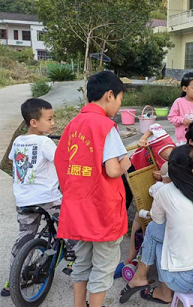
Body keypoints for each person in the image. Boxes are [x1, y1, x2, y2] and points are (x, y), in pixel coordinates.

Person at [54, 71, 131, 307]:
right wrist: (126, 161)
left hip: (79, 208)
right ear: (110, 95)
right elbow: (112, 170)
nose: (119, 105)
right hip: (103, 210)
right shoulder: (106, 126)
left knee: (82, 262)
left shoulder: (73, 124)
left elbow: (61, 162)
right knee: (104, 267)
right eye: (119, 99)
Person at [119, 145, 193, 304]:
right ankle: (140, 277)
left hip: (185, 281)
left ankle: (153, 285)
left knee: (154, 231)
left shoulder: (165, 191)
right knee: (162, 233)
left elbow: (157, 220)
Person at [2, 99, 75, 297]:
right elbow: (64, 160)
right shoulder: (45, 142)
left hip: (23, 200)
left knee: (24, 236)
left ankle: (12, 279)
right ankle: (72, 255)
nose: (53, 123)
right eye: (49, 119)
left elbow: (14, 162)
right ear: (34, 122)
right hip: (46, 198)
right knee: (69, 219)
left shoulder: (18, 141)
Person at [114, 162, 170, 279]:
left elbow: (156, 216)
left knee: (151, 229)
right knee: (142, 220)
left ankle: (139, 268)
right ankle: (135, 263)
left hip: (166, 224)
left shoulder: (160, 188)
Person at [168, 72, 193, 144]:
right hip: (182, 141)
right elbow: (171, 118)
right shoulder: (179, 102)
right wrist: (182, 120)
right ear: (185, 88)